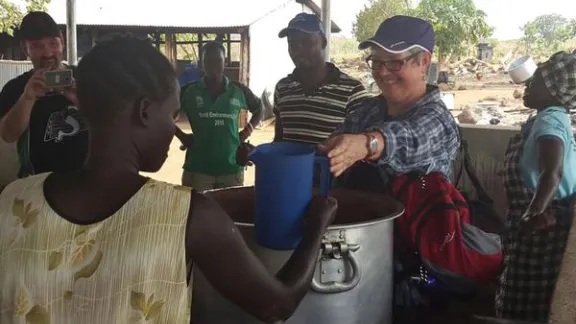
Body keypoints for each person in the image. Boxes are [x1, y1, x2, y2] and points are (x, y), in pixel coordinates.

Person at [0, 36, 337, 324]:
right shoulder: (185, 215)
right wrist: (316, 228)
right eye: (171, 112)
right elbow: (277, 305)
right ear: (144, 111)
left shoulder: (14, 198)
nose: (172, 125)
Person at [317, 15, 459, 191]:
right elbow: (329, 153)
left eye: (394, 62)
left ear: (423, 62)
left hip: (412, 218)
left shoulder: (439, 121)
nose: (383, 72)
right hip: (359, 215)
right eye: (376, 62)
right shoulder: (368, 111)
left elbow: (411, 140)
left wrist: (368, 145)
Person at [495, 51, 576, 322]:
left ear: (554, 90)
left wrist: (534, 212)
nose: (528, 83)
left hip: (542, 228)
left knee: (520, 305)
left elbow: (551, 172)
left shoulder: (550, 120)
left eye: (537, 79)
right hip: (541, 222)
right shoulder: (550, 117)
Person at [0, 12, 88, 178]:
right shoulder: (15, 88)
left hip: (88, 178)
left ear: (62, 41)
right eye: (37, 46)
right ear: (25, 49)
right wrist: (27, 98)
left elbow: (110, 125)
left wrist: (81, 101)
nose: (47, 53)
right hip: (38, 183)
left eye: (53, 43)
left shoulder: (86, 78)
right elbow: (8, 135)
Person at [176, 41, 262, 191]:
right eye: (207, 61)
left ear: (225, 61)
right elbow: (162, 114)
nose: (213, 66)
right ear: (201, 64)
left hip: (231, 169)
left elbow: (259, 108)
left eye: (218, 60)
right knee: (198, 212)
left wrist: (246, 132)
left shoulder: (238, 90)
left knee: (228, 213)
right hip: (198, 170)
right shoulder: (188, 91)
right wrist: (181, 136)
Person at [273, 13, 370, 145]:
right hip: (290, 167)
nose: (298, 50)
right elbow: (279, 141)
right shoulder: (282, 88)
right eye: (292, 43)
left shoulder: (353, 92)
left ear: (323, 42)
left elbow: (360, 148)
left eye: (306, 42)